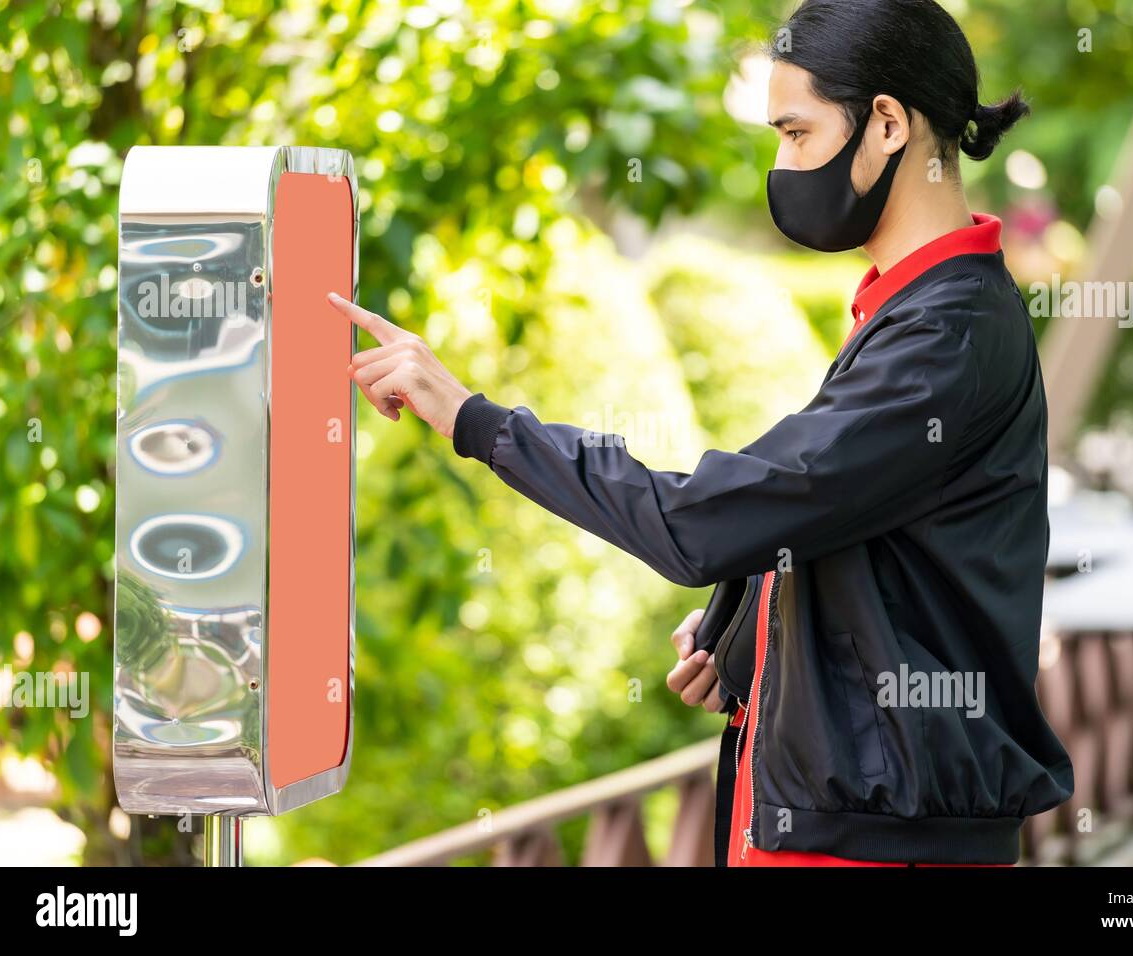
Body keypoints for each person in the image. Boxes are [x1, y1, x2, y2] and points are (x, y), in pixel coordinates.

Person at [329, 0, 1073, 867]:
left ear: (886, 123)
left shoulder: (943, 334)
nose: (784, 167)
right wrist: (749, 634)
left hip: (877, 847)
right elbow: (853, 527)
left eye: (796, 135)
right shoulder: (911, 311)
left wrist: (477, 421)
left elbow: (701, 522)